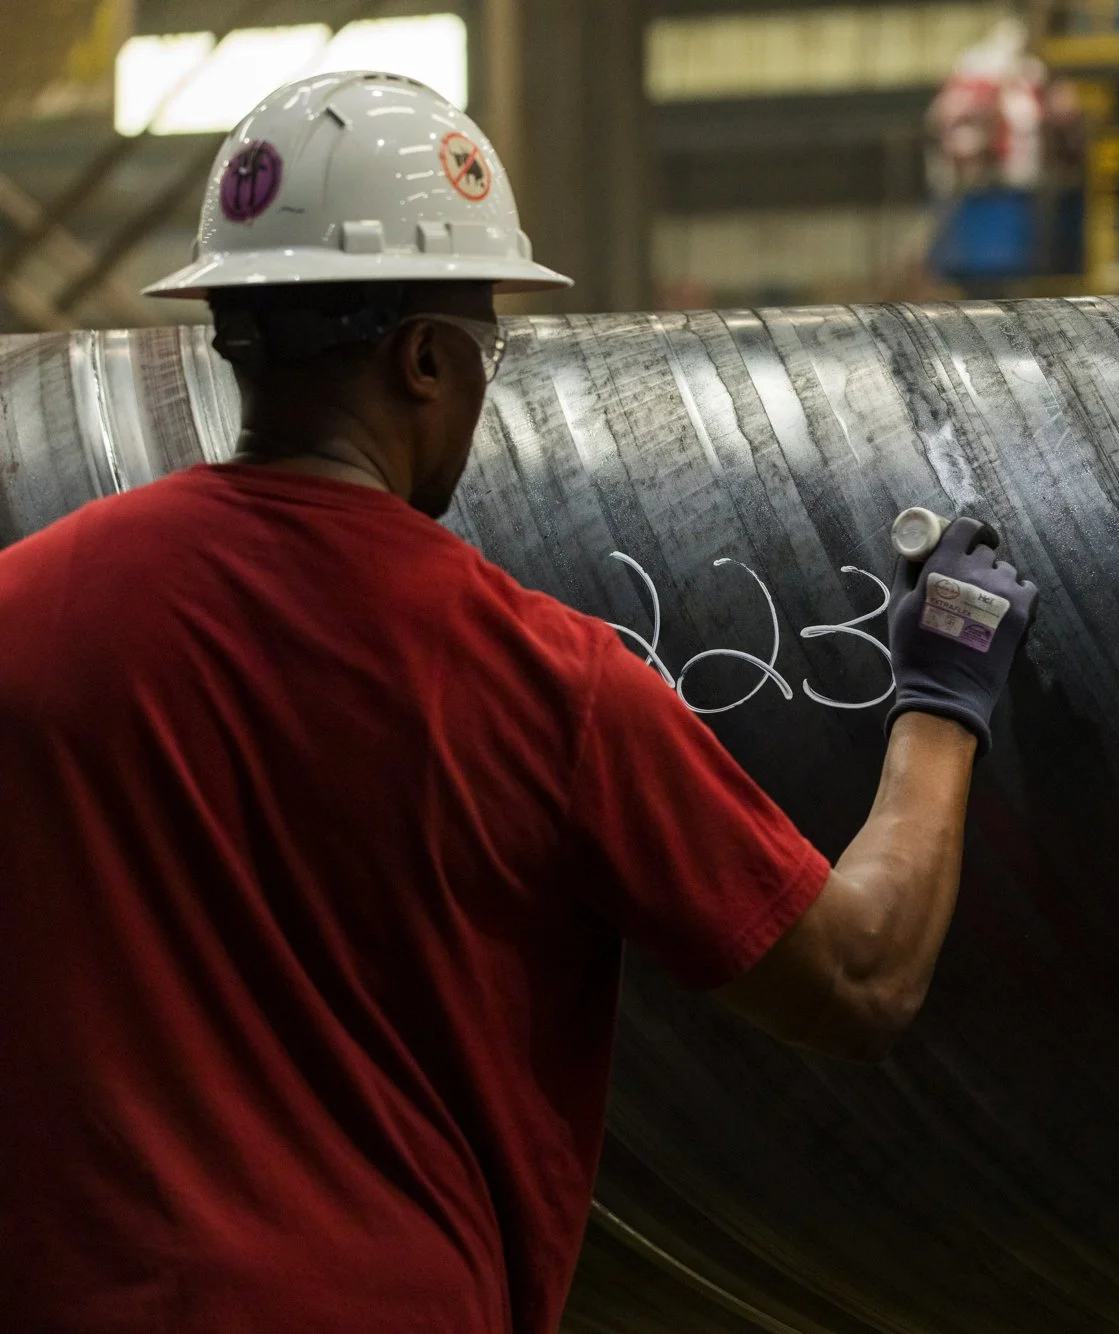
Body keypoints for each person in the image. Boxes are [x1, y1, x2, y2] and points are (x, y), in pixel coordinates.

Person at [0, 73, 1036, 1334]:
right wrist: (944, 686)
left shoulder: (28, 610)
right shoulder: (538, 679)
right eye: (486, 346)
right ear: (424, 360)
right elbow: (862, 974)